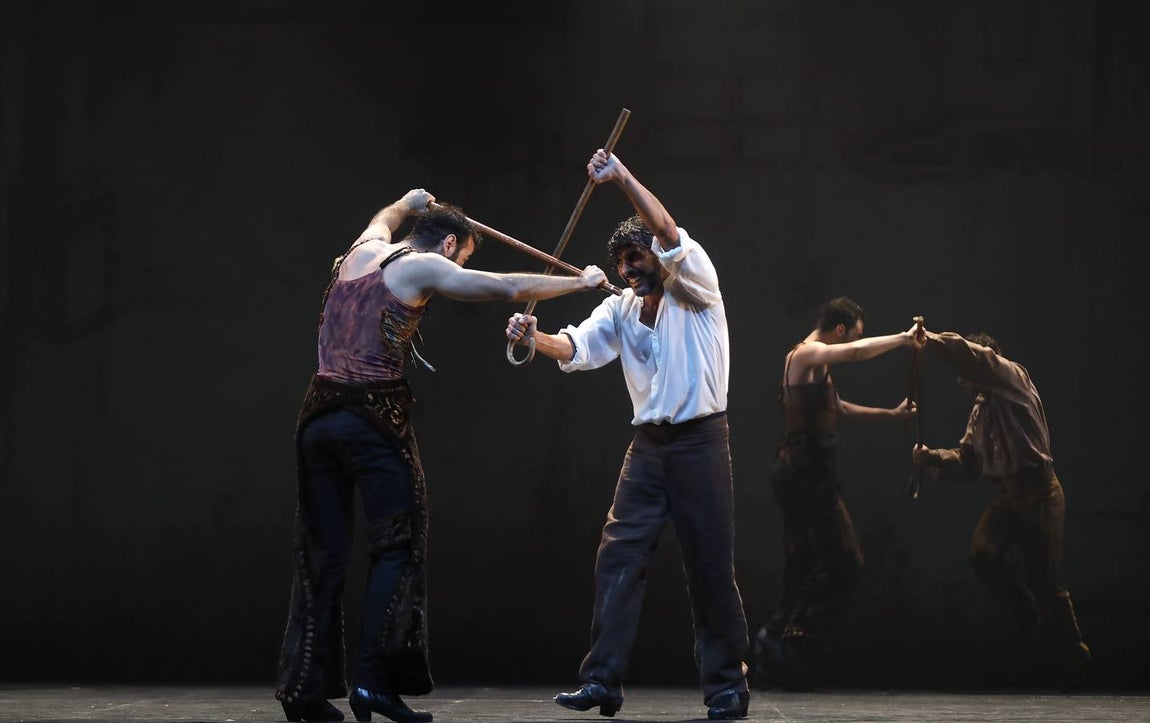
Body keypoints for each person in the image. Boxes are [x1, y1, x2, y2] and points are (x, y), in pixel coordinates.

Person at [275, 189, 607, 723]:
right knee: (397, 547)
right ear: (448, 243)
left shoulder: (361, 249)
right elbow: (506, 287)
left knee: (322, 551)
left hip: (316, 420)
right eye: (463, 255)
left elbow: (381, 218)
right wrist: (581, 282)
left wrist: (404, 202)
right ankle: (371, 686)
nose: (458, 264)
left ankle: (304, 692)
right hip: (371, 421)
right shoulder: (421, 266)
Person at [505, 150, 750, 720]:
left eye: (635, 258)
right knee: (617, 556)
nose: (627, 270)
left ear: (659, 257)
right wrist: (533, 336)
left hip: (700, 443)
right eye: (620, 263)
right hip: (647, 450)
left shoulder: (697, 286)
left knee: (710, 565)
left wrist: (620, 177)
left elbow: (665, 227)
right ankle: (602, 681)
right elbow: (576, 348)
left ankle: (727, 686)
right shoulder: (620, 309)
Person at [750, 297, 922, 692]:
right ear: (840, 330)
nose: (855, 340)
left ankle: (774, 639)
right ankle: (791, 642)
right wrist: (903, 339)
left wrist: (891, 415)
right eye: (854, 332)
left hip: (805, 471)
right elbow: (858, 352)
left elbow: (836, 407)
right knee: (844, 560)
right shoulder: (807, 354)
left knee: (806, 559)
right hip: (803, 471)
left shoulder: (817, 369)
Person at [910, 330, 1091, 690]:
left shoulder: (1012, 378)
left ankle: (1074, 653)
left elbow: (973, 357)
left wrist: (929, 339)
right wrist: (932, 457)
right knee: (982, 553)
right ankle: (1025, 611)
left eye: (968, 372)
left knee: (1045, 581)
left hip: (1040, 493)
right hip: (1009, 496)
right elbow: (969, 461)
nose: (962, 379)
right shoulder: (980, 411)